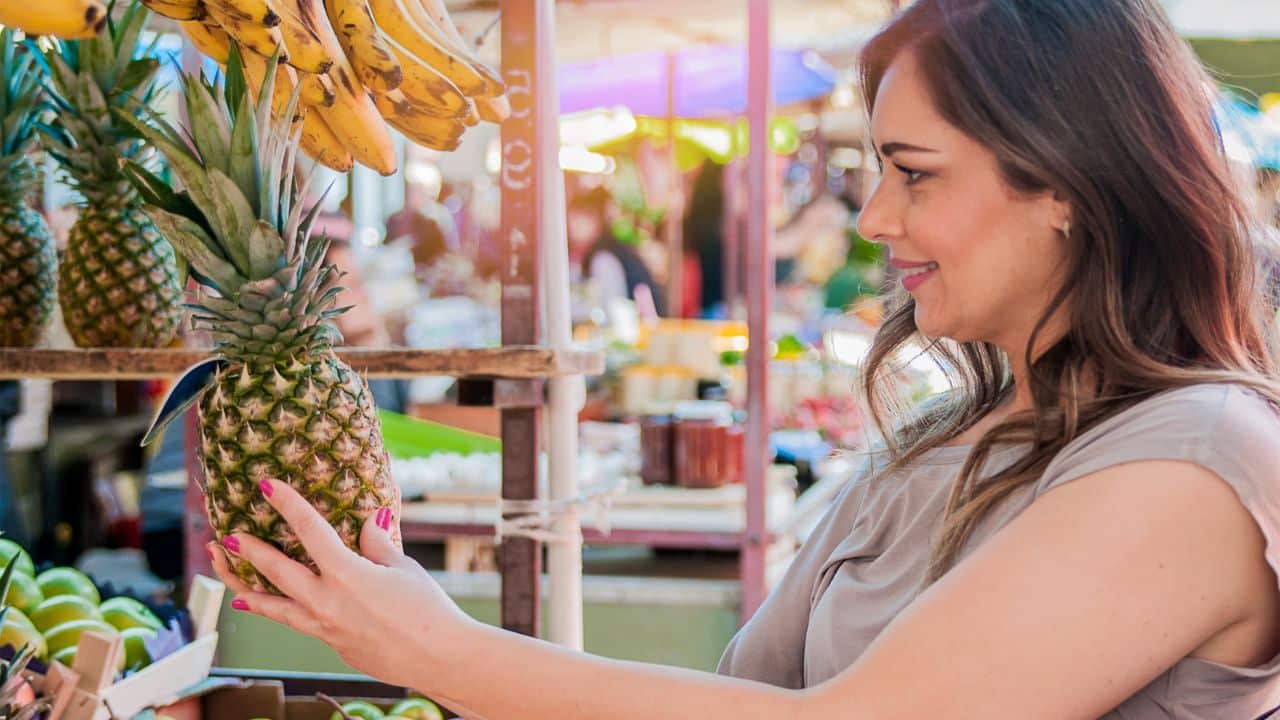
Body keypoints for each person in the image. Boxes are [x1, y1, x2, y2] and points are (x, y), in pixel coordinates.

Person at [208, 1, 1280, 716]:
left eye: (912, 175)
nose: (868, 217)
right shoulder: (947, 437)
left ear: (1066, 185)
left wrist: (438, 649)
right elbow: (743, 692)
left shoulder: (1196, 463)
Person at [568, 185, 667, 316]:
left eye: (579, 217)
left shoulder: (603, 258)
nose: (572, 225)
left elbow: (609, 310)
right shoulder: (609, 251)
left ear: (595, 219)